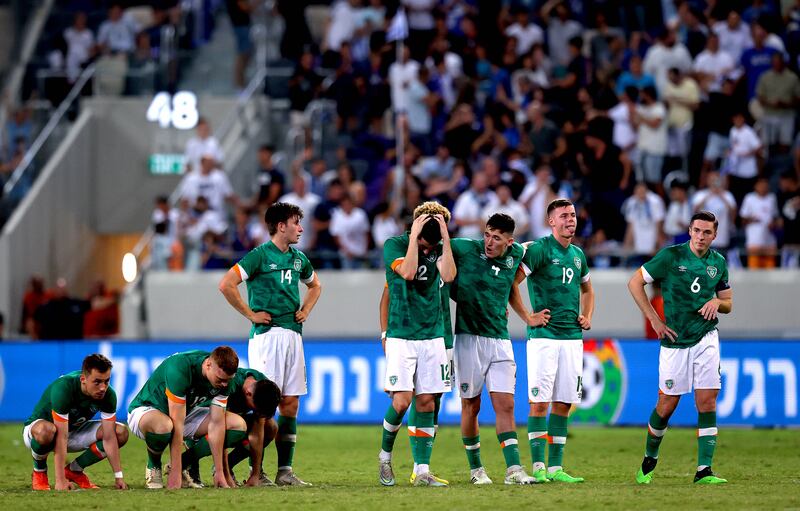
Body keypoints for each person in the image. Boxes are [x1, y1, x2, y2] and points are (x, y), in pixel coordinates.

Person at [218, 202, 322, 486]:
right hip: (267, 337)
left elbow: (316, 286)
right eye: (295, 222)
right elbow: (226, 284)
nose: (300, 228)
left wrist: (306, 310)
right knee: (264, 407)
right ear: (280, 226)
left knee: (290, 404)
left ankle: (285, 471)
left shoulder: (299, 258)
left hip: (293, 335)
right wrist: (250, 314)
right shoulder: (258, 256)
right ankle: (257, 472)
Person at [628, 211, 733, 485]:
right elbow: (635, 282)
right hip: (675, 341)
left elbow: (728, 302)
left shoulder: (718, 263)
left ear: (714, 235)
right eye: (696, 230)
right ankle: (650, 458)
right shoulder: (671, 256)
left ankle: (704, 471)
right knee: (667, 404)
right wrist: (654, 319)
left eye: (706, 232)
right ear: (689, 230)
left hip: (706, 337)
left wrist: (717, 303)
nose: (700, 236)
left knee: (707, 400)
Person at [509, 198, 594, 483]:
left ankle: (556, 468)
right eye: (564, 216)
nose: (570, 219)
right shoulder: (540, 250)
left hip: (572, 338)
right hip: (544, 338)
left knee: (564, 402)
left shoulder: (578, 254)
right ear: (551, 221)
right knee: (539, 402)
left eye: (572, 215)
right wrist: (527, 317)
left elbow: (588, 290)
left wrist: (587, 315)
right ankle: (538, 466)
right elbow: (512, 283)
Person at [451, 213, 539, 485]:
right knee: (471, 406)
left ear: (509, 241)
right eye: (487, 234)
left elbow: (515, 281)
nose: (489, 241)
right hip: (468, 338)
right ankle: (476, 470)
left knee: (506, 404)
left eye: (496, 238)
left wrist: (527, 317)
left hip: (500, 340)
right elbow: (434, 246)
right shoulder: (465, 248)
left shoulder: (518, 255)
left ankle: (514, 470)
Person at [378, 202, 456, 487]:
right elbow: (409, 272)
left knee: (426, 401)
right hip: (402, 333)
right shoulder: (394, 245)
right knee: (401, 400)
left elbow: (448, 276)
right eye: (425, 240)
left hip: (433, 335)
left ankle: (421, 470)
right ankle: (385, 457)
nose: (427, 248)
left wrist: (445, 240)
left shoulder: (439, 246)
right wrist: (413, 239)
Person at [127, 347, 242, 489]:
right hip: (147, 410)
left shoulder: (224, 377)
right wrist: (176, 472)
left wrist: (219, 472)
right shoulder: (180, 367)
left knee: (236, 425)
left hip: (185, 414)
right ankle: (154, 464)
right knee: (164, 426)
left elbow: (217, 423)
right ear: (208, 365)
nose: (225, 384)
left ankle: (184, 461)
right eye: (221, 379)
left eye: (228, 380)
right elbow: (177, 421)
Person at [23, 354, 128, 491]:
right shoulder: (64, 388)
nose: (103, 388)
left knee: (120, 432)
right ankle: (40, 471)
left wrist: (118, 476)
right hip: (41, 433)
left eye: (106, 381)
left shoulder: (108, 395)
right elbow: (62, 436)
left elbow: (109, 437)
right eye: (97, 382)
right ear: (83, 379)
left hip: (74, 431)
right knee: (46, 431)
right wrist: (60, 481)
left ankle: (74, 470)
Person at [183, 368, 282, 487]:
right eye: (255, 409)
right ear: (248, 393)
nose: (255, 411)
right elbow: (219, 428)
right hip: (200, 419)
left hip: (228, 422)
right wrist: (224, 474)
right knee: (237, 427)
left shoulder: (262, 387)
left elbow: (257, 433)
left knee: (271, 427)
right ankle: (185, 462)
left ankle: (229, 465)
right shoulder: (228, 386)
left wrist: (255, 475)